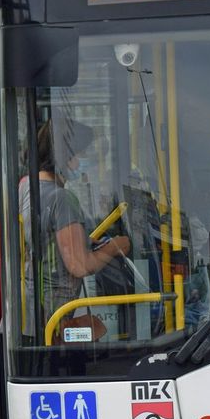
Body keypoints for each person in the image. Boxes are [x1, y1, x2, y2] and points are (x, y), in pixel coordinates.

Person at [19, 118, 131, 340]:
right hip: (52, 313)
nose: (87, 160)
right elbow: (79, 265)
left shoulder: (26, 186)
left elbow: (47, 241)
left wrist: (85, 242)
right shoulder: (61, 198)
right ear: (67, 157)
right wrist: (117, 247)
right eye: (84, 153)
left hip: (30, 309)